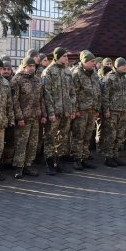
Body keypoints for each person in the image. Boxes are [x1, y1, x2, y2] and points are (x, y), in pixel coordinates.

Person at [41, 47, 77, 175]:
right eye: (65, 56)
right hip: (54, 112)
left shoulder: (68, 72)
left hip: (66, 111)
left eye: (67, 56)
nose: (67, 59)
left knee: (63, 138)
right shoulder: (48, 71)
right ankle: (50, 163)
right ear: (58, 57)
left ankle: (60, 162)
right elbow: (47, 94)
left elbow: (72, 92)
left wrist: (72, 109)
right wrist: (50, 112)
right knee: (50, 138)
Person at [10, 58, 47, 179]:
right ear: (23, 66)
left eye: (33, 66)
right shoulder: (17, 80)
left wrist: (43, 114)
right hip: (23, 119)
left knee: (33, 143)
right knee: (21, 143)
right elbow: (14, 101)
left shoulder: (37, 80)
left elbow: (41, 99)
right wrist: (19, 117)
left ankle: (28, 165)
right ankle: (18, 167)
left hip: (35, 117)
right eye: (29, 66)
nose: (32, 68)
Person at [71, 50, 101, 170]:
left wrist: (97, 108)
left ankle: (84, 157)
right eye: (92, 61)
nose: (94, 63)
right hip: (81, 110)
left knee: (88, 135)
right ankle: (76, 159)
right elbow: (74, 94)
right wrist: (76, 109)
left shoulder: (94, 73)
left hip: (92, 110)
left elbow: (98, 92)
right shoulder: (77, 74)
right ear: (84, 62)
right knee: (78, 135)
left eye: (94, 61)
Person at [100, 58, 126, 167]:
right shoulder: (109, 78)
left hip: (122, 111)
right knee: (111, 135)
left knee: (120, 135)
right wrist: (106, 110)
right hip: (112, 111)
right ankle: (108, 157)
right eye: (123, 65)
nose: (125, 67)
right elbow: (105, 96)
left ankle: (115, 155)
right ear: (117, 66)